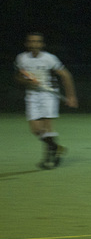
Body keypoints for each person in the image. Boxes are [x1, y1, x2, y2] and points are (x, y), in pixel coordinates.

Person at [14, 32, 78, 169]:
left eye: (37, 41)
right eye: (31, 41)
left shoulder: (49, 58)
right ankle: (56, 148)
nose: (34, 44)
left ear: (42, 44)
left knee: (47, 128)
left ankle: (48, 159)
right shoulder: (21, 58)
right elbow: (18, 77)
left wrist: (71, 96)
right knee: (36, 130)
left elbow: (66, 75)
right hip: (32, 95)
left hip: (48, 95)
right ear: (27, 44)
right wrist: (26, 80)